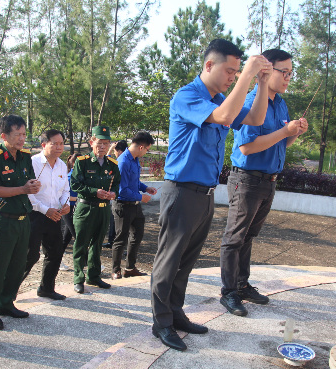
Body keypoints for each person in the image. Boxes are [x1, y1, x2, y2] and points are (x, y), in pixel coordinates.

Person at [150, 39, 273, 351]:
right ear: (209, 65)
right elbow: (223, 117)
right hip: (181, 193)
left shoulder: (221, 98)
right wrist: (248, 74)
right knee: (169, 260)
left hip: (205, 194)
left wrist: (259, 83)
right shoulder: (187, 96)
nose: (233, 77)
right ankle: (161, 321)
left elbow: (256, 119)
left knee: (186, 261)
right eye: (229, 71)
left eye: (236, 72)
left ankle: (176, 312)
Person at [220, 49, 308, 317]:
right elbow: (247, 148)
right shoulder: (250, 101)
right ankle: (228, 292)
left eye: (291, 73)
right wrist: (284, 130)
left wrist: (294, 132)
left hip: (268, 181)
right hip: (247, 180)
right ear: (267, 71)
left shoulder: (280, 103)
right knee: (235, 238)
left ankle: (242, 284)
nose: (288, 78)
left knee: (249, 237)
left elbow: (281, 141)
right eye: (284, 72)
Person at [0, 115, 41, 330]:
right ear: (4, 135)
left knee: (17, 265)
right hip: (3, 220)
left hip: (23, 219)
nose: (22, 139)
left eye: (24, 134)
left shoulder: (25, 157)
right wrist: (24, 189)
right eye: (17, 135)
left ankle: (7, 302)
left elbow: (30, 182)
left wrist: (34, 185)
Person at [70, 126, 120, 293]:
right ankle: (78, 278)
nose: (102, 146)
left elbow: (118, 183)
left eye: (106, 143)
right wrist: (95, 192)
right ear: (92, 143)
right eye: (99, 143)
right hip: (86, 208)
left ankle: (93, 276)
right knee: (81, 245)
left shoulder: (112, 163)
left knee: (97, 244)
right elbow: (75, 184)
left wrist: (113, 193)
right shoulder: (82, 162)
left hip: (104, 209)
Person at [22, 129, 70, 300]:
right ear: (44, 145)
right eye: (54, 143)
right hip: (35, 215)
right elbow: (28, 193)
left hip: (55, 216)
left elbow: (65, 189)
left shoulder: (62, 165)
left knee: (55, 252)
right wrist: (44, 210)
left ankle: (46, 288)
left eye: (61, 144)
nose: (59, 147)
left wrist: (65, 204)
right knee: (30, 255)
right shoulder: (32, 162)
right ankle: (8, 292)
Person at [111, 132, 157, 280]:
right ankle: (115, 270)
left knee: (137, 236)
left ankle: (130, 268)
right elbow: (121, 190)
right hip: (123, 206)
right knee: (120, 238)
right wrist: (141, 197)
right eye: (147, 149)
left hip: (135, 206)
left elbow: (134, 182)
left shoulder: (135, 159)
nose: (146, 152)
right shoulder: (123, 161)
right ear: (141, 146)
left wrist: (145, 188)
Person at [103, 141, 128, 249]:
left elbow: (106, 162)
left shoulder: (120, 162)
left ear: (119, 151)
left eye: (115, 151)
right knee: (115, 221)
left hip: (119, 195)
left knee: (119, 223)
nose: (114, 153)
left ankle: (117, 243)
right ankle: (112, 240)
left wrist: (109, 149)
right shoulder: (130, 160)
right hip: (120, 194)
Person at [60, 153, 79, 271]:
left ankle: (57, 260)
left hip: (77, 208)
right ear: (73, 163)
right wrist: (81, 198)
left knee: (66, 238)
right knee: (78, 236)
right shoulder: (69, 177)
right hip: (69, 209)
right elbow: (66, 196)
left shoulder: (80, 176)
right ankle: (88, 262)